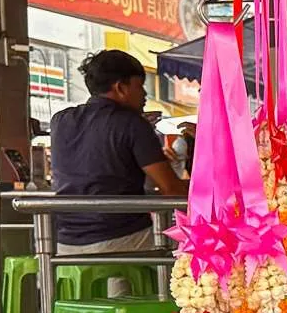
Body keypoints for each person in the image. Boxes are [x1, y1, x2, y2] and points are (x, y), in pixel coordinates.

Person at [49, 49, 186, 256]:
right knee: (189, 252)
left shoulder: (60, 120)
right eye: (139, 86)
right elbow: (171, 188)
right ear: (120, 87)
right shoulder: (132, 124)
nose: (145, 96)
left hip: (66, 243)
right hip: (123, 238)